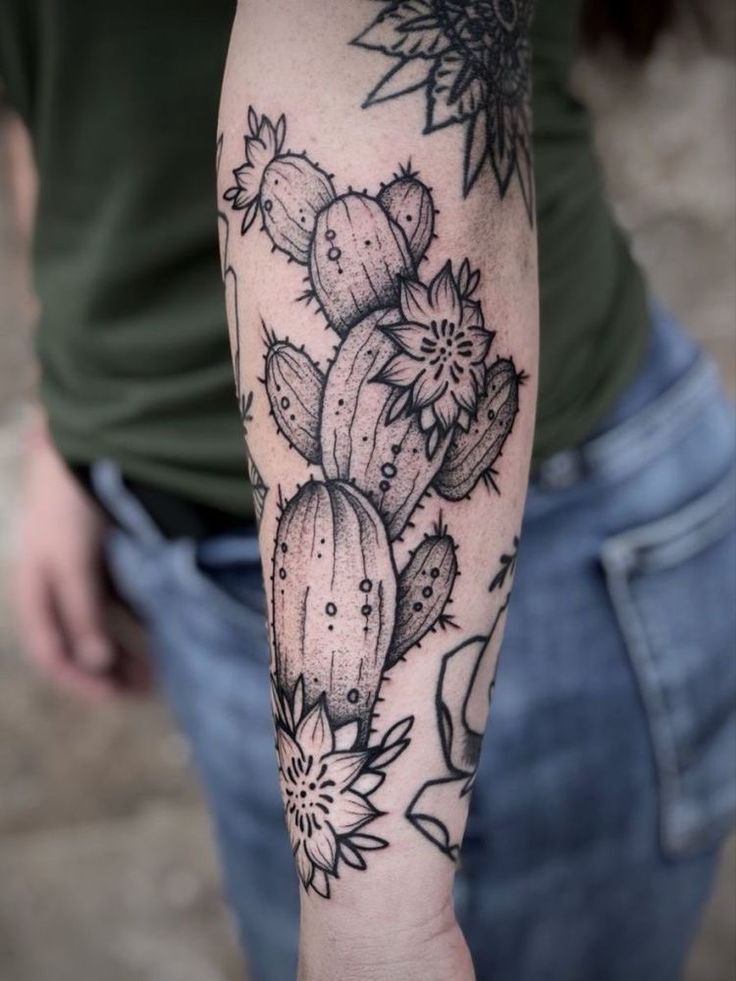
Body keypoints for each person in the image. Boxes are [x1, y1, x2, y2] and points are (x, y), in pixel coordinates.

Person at [3, 1, 734, 979]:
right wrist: (74, 413)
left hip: (524, 577)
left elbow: (368, 63)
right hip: (192, 533)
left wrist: (379, 921)